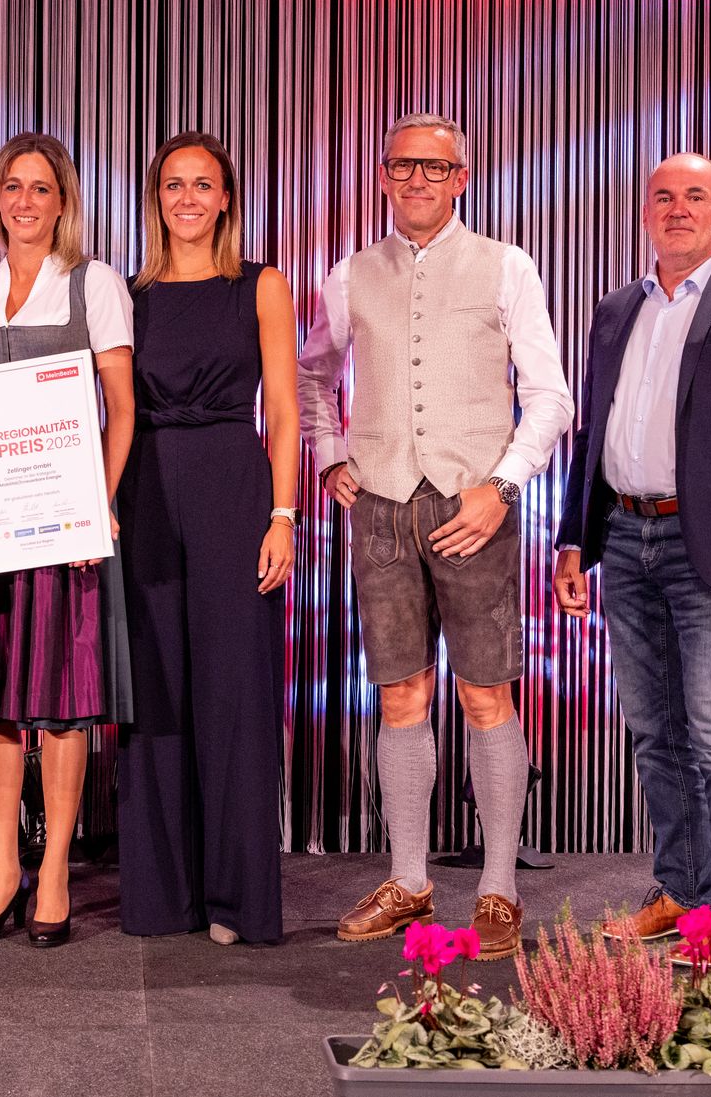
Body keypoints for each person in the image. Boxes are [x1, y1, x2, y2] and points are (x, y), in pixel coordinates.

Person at [299, 111, 574, 960]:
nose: (417, 181)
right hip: (379, 505)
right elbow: (311, 378)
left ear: (462, 178)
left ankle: (497, 887)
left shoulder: (506, 266)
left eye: (436, 168)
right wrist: (329, 457)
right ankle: (410, 879)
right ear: (383, 176)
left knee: (486, 694)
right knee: (399, 695)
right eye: (402, 167)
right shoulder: (348, 275)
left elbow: (551, 396)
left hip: (474, 506)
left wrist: (503, 485)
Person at [552, 153, 711, 943]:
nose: (678, 208)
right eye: (663, 196)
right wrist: (573, 537)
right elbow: (594, 433)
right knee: (654, 731)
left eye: (696, 196)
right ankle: (677, 886)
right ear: (644, 213)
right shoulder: (614, 308)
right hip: (625, 539)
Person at [0, 132, 137, 949]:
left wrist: (98, 506)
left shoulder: (95, 284)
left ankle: (54, 876)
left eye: (42, 188)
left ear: (63, 201)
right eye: (14, 186)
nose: (26, 202)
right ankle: (3, 869)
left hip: (64, 521)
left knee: (61, 705)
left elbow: (122, 409)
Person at [116, 132, 298, 946]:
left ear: (227, 196)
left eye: (204, 185)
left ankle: (236, 900)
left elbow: (287, 411)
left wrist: (285, 515)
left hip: (234, 485)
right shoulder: (125, 293)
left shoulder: (262, 284)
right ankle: (164, 896)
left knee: (236, 695)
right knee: (154, 696)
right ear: (156, 198)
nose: (188, 198)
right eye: (173, 185)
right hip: (145, 487)